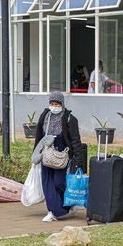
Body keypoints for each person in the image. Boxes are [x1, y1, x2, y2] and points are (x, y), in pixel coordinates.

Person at [34, 91, 85, 222]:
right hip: (46, 155)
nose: (54, 106)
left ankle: (68, 204)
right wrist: (36, 154)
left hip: (62, 157)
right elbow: (39, 137)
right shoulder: (44, 116)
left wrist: (78, 160)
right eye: (52, 103)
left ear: (62, 104)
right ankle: (53, 211)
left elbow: (75, 140)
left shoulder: (69, 119)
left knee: (59, 183)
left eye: (57, 104)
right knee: (47, 184)